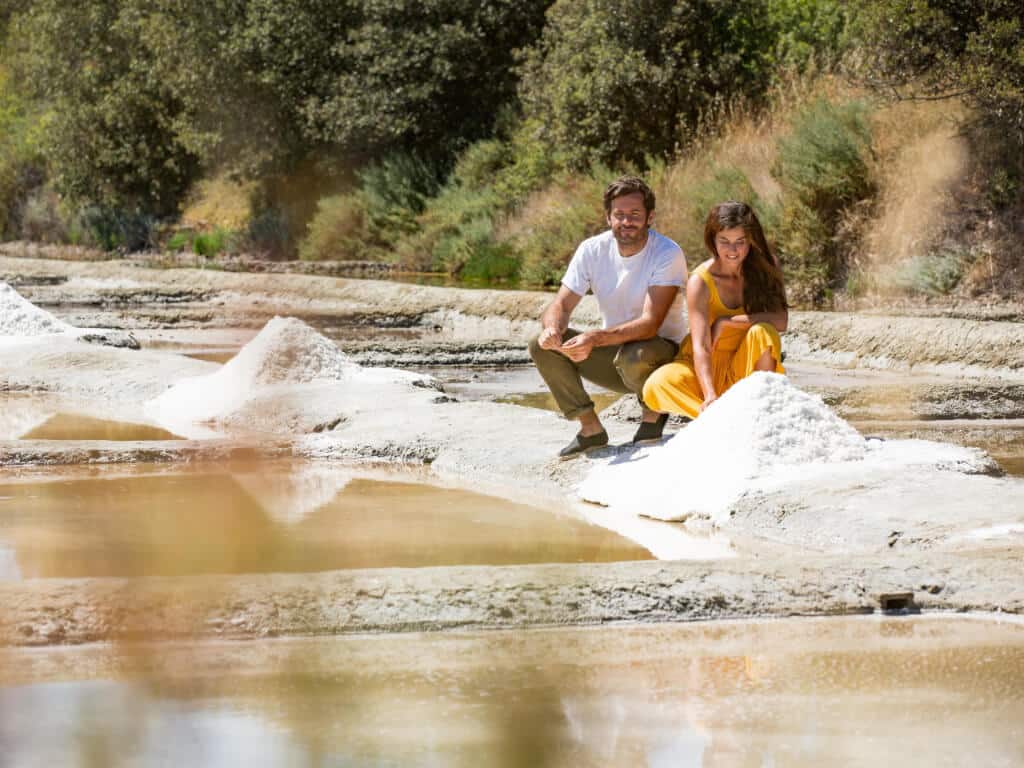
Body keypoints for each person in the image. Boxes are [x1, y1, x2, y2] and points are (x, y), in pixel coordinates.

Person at [528, 176, 688, 458]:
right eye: (620, 215)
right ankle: (590, 429)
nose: (626, 222)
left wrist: (593, 338)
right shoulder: (592, 249)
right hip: (615, 355)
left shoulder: (667, 252)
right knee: (540, 344)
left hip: (661, 357)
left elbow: (651, 323)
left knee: (634, 355)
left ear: (650, 217)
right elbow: (561, 304)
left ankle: (653, 413)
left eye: (635, 215)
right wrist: (552, 328)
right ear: (608, 217)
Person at [643, 201, 788, 418]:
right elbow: (701, 346)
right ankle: (716, 417)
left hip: (746, 361)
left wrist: (726, 321)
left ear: (751, 241)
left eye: (740, 241)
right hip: (706, 365)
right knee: (657, 385)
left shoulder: (767, 267)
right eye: (725, 241)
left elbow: (781, 321)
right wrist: (710, 393)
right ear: (713, 240)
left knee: (763, 332)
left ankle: (762, 410)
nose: (733, 250)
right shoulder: (700, 282)